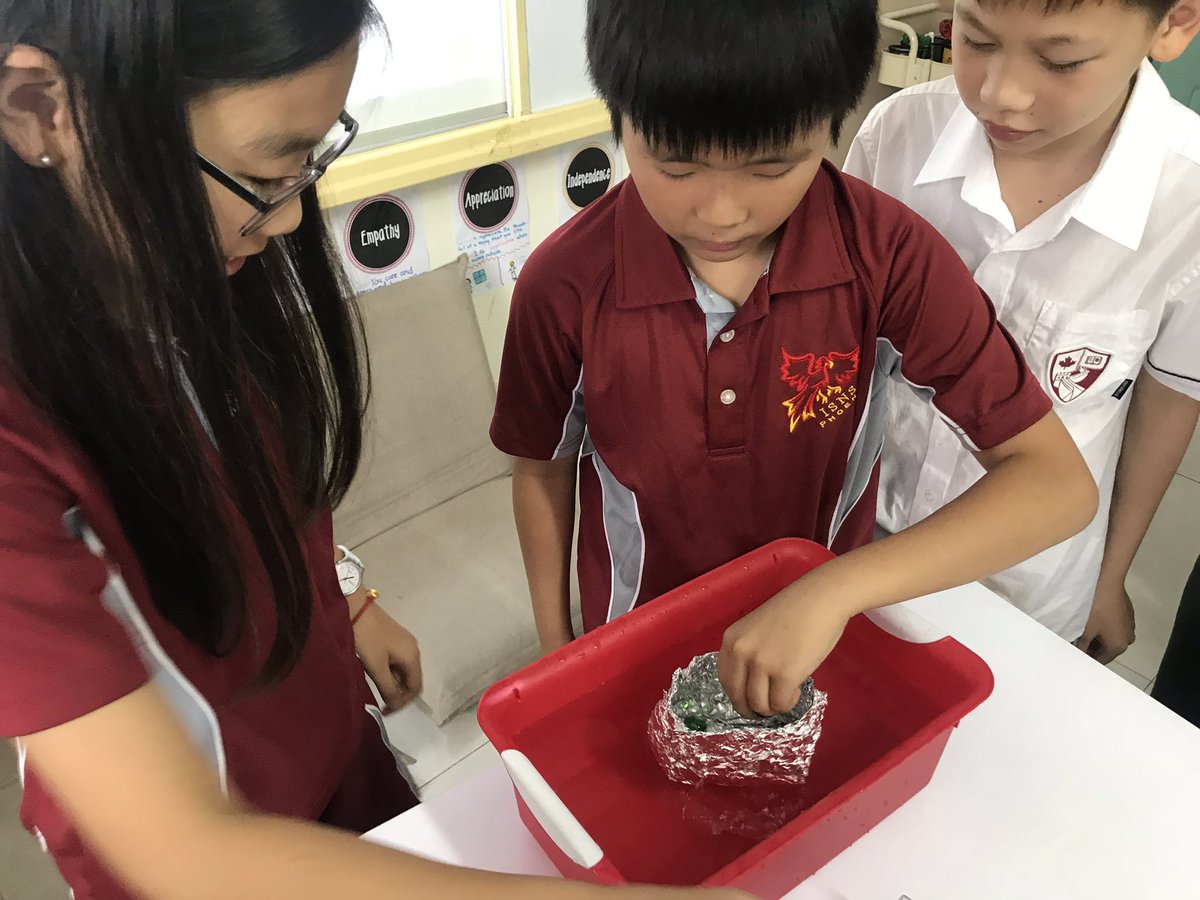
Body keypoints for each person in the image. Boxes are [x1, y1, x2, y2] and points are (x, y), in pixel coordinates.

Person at [0, 3, 737, 898]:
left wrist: (344, 597)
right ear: (41, 108)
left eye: (311, 161)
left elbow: (263, 481)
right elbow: (186, 852)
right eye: (265, 172)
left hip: (339, 759)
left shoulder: (190, 267)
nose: (288, 219)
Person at [490, 0, 1098, 721]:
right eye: (676, 164)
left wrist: (835, 590)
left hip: (814, 640)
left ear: (833, 126)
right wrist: (558, 647)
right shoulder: (564, 284)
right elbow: (542, 467)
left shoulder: (887, 258)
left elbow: (1057, 484)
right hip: (631, 638)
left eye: (771, 165)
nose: (721, 212)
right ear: (619, 118)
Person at [844, 0, 1200, 662]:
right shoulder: (897, 134)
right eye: (973, 39)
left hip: (1026, 583)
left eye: (1060, 60)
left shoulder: (1188, 199)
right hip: (861, 533)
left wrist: (1110, 576)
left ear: (1173, 25)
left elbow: (1167, 404)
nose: (1001, 96)